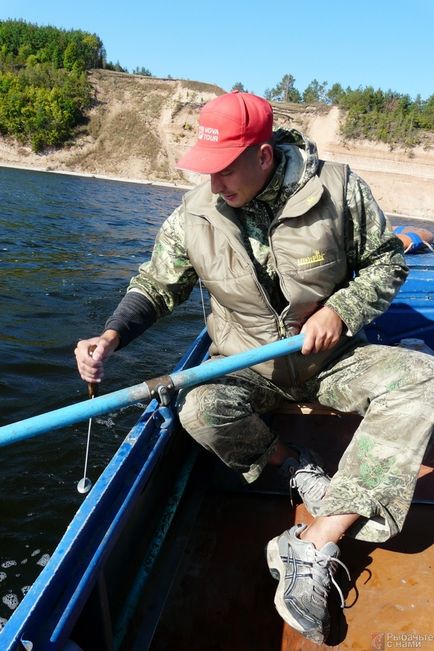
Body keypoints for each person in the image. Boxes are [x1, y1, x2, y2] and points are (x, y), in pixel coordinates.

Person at [75, 91, 434, 644]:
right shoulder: (194, 214)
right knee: (198, 408)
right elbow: (156, 285)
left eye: (224, 169)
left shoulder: (338, 189)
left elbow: (385, 263)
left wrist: (342, 309)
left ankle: (315, 541)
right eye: (206, 169)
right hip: (249, 366)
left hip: (330, 362)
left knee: (425, 382)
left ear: (264, 156)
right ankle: (293, 465)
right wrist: (110, 336)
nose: (214, 184)